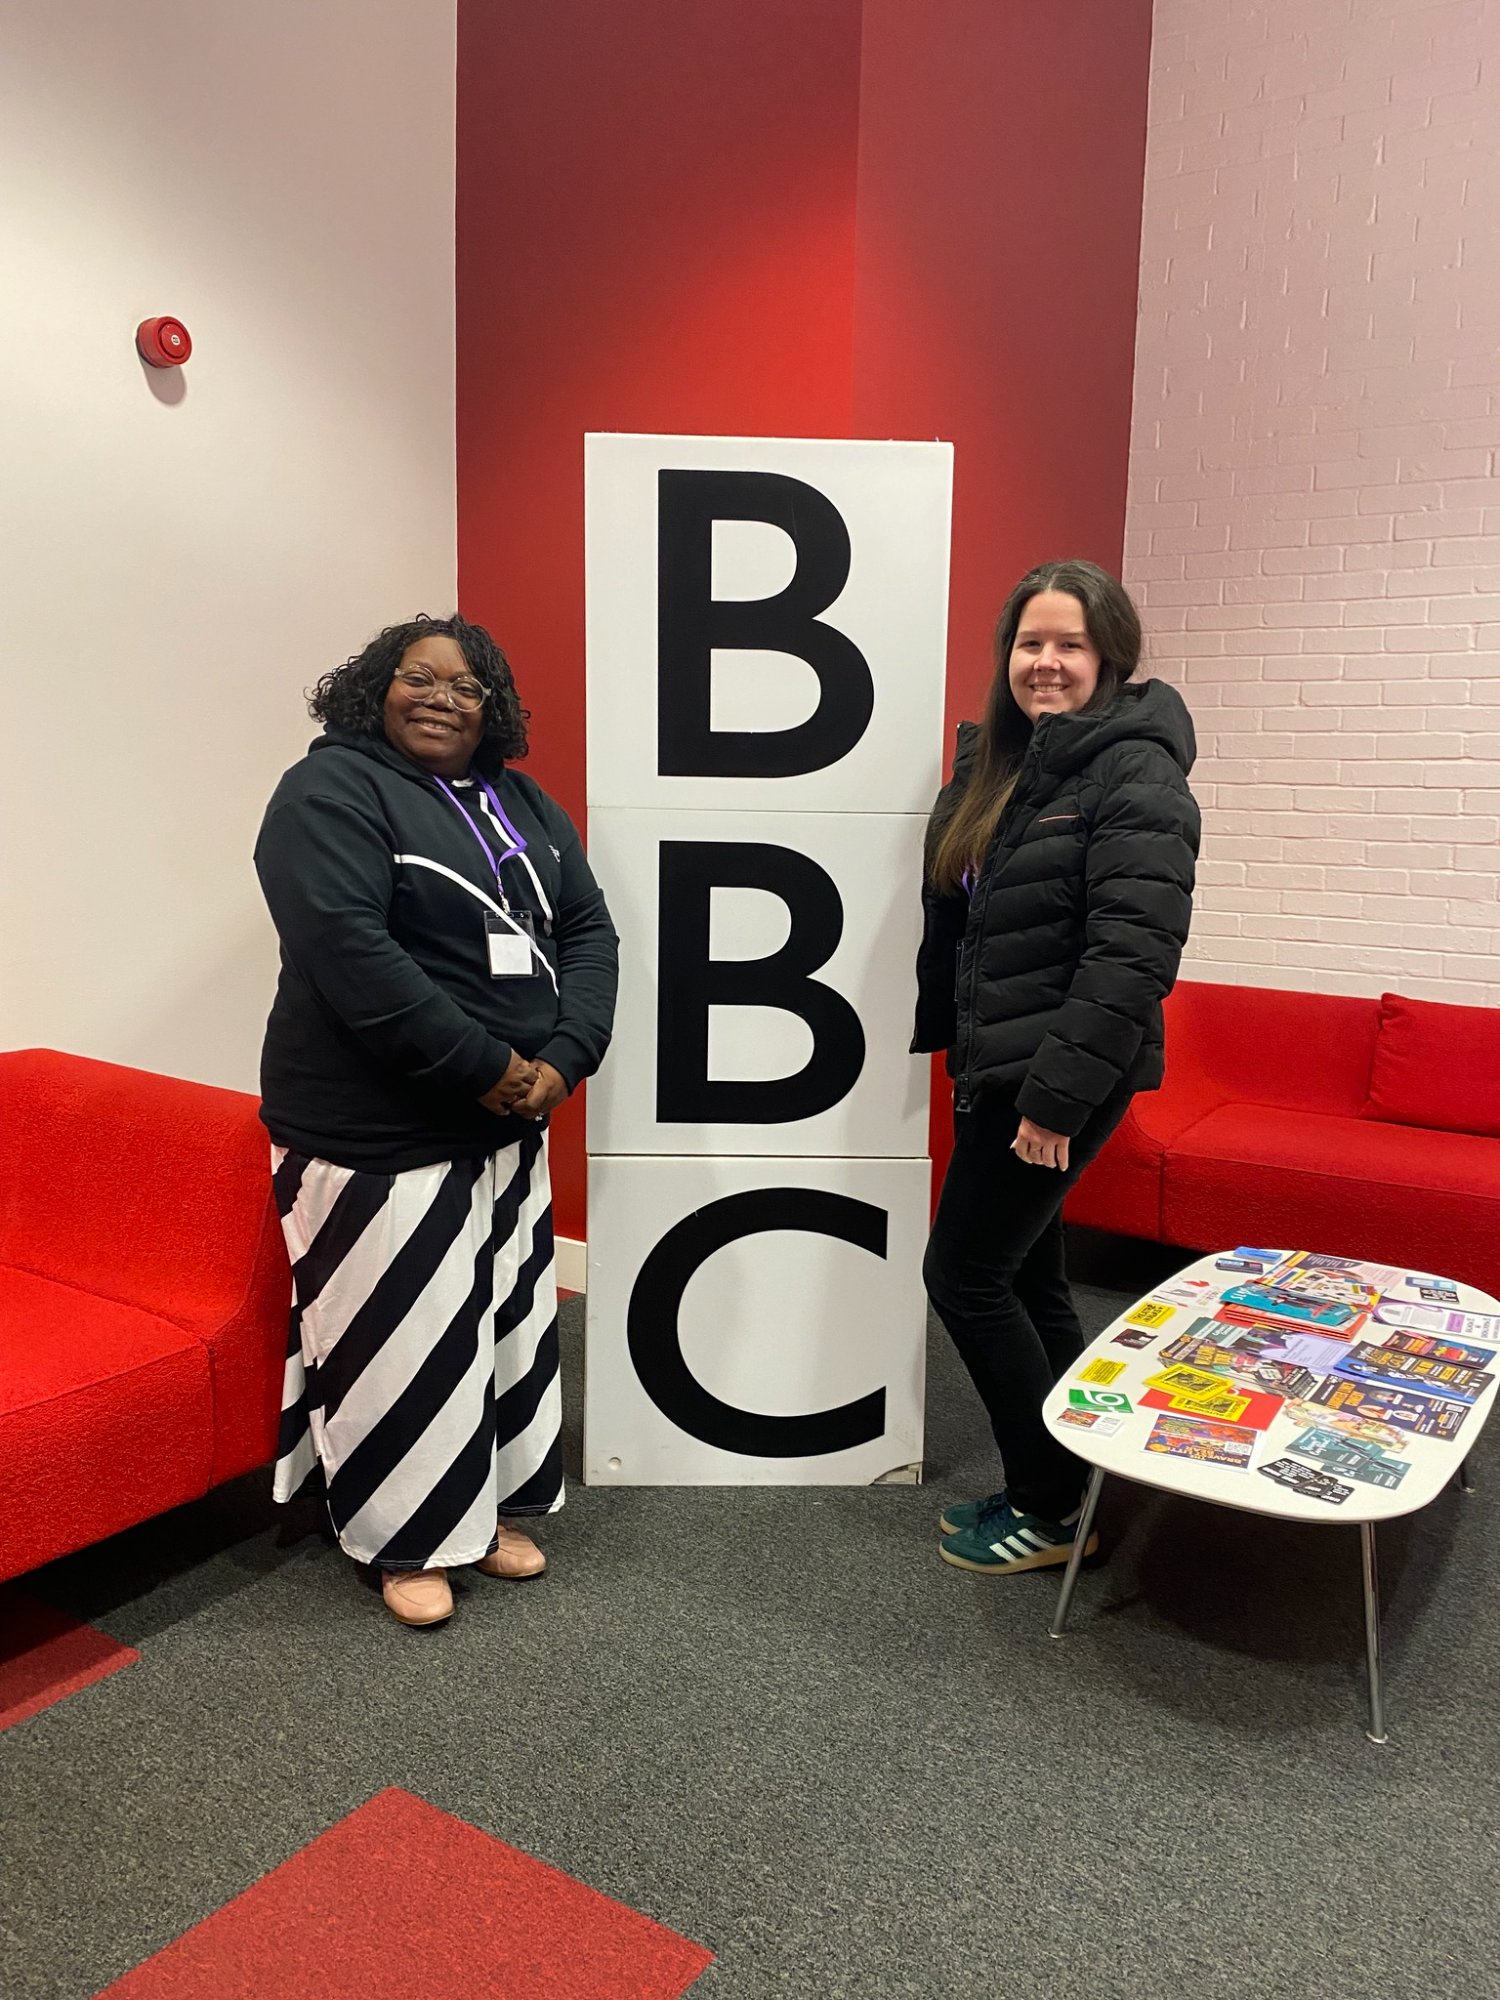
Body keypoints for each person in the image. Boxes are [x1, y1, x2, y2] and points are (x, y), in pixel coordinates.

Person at [255, 614, 618, 1627]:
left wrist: (564, 1055)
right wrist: (487, 1065)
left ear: (493, 708)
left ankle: (484, 1503)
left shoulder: (524, 801)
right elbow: (350, 950)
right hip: (375, 1128)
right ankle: (410, 1534)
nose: (442, 698)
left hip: (506, 1126)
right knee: (401, 1336)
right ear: (374, 687)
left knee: (497, 1324)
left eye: (468, 687)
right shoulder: (325, 792)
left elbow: (588, 929)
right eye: (418, 677)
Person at [913, 560, 1199, 1575]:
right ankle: (1074, 1477)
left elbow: (1132, 957)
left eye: (1068, 644)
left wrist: (1055, 1099)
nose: (1046, 662)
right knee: (1028, 1270)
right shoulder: (1006, 765)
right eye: (1030, 642)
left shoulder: (1137, 773)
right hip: (1003, 1063)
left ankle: (1049, 1498)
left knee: (962, 1273)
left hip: (1061, 1072)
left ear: (1109, 655)